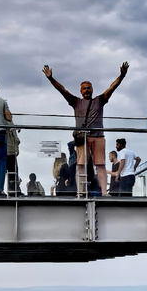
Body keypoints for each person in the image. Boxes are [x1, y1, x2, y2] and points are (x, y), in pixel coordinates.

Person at [42, 62, 129, 196]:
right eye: (84, 88)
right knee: (80, 165)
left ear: (92, 90)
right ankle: (81, 191)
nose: (87, 90)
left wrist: (122, 76)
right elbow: (62, 90)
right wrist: (50, 78)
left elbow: (112, 88)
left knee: (100, 165)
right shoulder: (76, 101)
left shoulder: (100, 100)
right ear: (81, 91)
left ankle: (104, 193)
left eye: (88, 88)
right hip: (82, 138)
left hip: (98, 136)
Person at [6, 126, 22, 196]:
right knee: (13, 171)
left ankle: (13, 189)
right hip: (9, 151)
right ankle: (13, 189)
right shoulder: (8, 124)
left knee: (12, 172)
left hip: (10, 151)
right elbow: (15, 139)